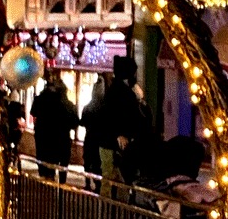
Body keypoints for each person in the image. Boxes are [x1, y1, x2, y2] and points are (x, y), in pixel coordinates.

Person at [87, 55, 148, 190]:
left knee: (114, 178)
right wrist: (120, 133)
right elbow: (114, 116)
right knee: (112, 178)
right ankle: (109, 207)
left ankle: (110, 206)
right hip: (114, 142)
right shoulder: (119, 91)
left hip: (115, 141)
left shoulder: (121, 90)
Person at [31, 74, 79, 177]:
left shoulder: (41, 100)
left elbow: (34, 113)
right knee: (62, 165)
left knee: (46, 162)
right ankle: (60, 185)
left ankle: (47, 179)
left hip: (44, 137)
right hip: (62, 138)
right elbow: (75, 123)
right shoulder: (69, 105)